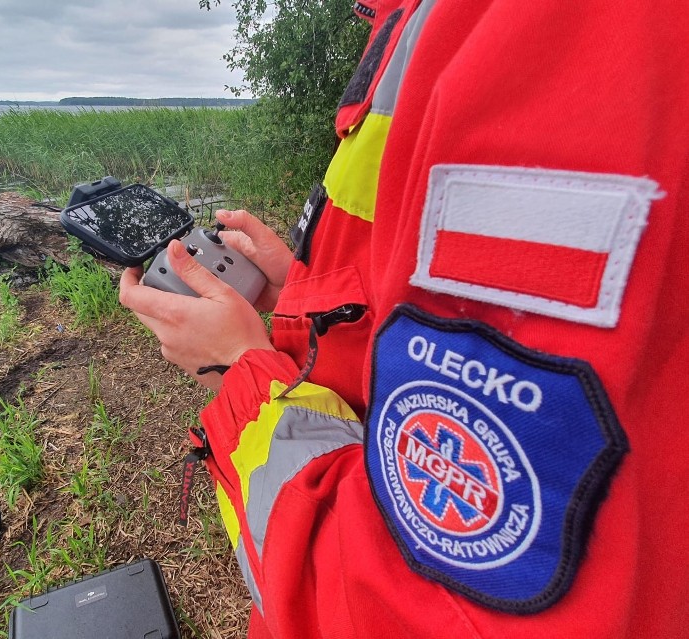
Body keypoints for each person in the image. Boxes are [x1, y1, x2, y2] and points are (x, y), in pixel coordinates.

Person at [119, 0, 689, 636]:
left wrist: (241, 376)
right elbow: (419, 286)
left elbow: (405, 608)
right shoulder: (423, 18)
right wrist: (304, 292)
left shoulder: (549, 30)